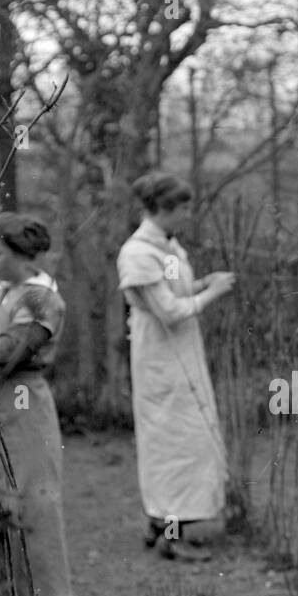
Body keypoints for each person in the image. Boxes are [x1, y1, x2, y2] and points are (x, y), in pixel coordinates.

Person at [0, 211, 81, 596]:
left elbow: (5, 355)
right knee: (1, 508)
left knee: (36, 507)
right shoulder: (1, 293)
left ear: (20, 255)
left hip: (25, 407)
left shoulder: (40, 300)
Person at [117, 172, 236, 562]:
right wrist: (214, 294)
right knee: (172, 444)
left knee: (184, 440)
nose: (187, 214)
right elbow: (169, 312)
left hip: (180, 353)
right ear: (162, 209)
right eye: (182, 207)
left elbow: (172, 294)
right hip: (162, 357)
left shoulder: (165, 246)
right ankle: (170, 533)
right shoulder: (139, 253)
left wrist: (201, 284)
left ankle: (161, 525)